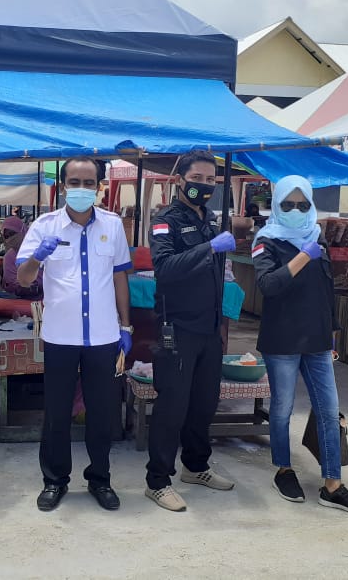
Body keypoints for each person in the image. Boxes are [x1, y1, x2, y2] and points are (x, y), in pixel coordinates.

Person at [253, 174, 348, 516]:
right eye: (288, 204)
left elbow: (325, 287)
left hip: (318, 339)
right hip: (282, 339)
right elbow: (268, 285)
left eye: (302, 204)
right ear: (277, 205)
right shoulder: (266, 240)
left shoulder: (317, 237)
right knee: (282, 409)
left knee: (328, 410)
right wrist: (302, 258)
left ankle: (332, 484)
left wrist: (332, 330)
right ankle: (283, 469)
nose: (295, 210)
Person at [16, 156, 132, 512]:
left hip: (103, 336)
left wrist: (125, 326)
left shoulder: (113, 226)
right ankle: (54, 480)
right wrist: (36, 257)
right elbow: (23, 279)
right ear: (63, 186)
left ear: (99, 187)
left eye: (89, 183)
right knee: (57, 413)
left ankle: (100, 479)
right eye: (74, 182)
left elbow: (119, 276)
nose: (81, 189)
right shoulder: (44, 225)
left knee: (102, 412)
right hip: (60, 336)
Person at [142, 150, 236, 512]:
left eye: (210, 180)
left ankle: (196, 467)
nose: (204, 186)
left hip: (209, 328)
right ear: (180, 180)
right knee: (173, 405)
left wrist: (220, 324)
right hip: (178, 327)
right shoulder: (164, 221)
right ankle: (157, 480)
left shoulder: (210, 220)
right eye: (197, 178)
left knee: (204, 403)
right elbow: (165, 268)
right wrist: (209, 248)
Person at [1, 216, 42, 299]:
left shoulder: (39, 249)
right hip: (22, 300)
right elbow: (11, 284)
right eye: (6, 236)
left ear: (22, 230)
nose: (10, 238)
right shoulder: (9, 257)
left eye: (12, 233)